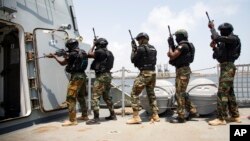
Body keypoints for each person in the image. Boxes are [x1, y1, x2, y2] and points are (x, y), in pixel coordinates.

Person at [47, 38, 89, 126]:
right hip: (83, 76)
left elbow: (62, 63)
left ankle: (72, 120)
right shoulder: (83, 52)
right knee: (81, 96)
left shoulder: (72, 54)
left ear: (70, 46)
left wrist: (54, 56)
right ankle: (85, 115)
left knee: (70, 98)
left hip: (76, 77)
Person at [208, 22, 241, 126]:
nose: (221, 33)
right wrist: (214, 47)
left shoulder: (233, 38)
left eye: (222, 31)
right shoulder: (224, 43)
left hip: (228, 68)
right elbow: (219, 57)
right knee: (230, 93)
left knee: (222, 93)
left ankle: (221, 118)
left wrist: (212, 29)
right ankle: (235, 116)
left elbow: (217, 37)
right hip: (224, 67)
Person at [126, 32, 160, 124]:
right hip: (153, 73)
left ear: (141, 39)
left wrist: (133, 49)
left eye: (138, 40)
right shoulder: (153, 48)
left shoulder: (140, 49)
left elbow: (133, 60)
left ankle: (136, 117)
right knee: (151, 95)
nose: (137, 42)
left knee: (134, 93)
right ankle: (155, 115)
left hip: (144, 73)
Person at [167, 29, 199, 123]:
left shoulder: (183, 46)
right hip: (184, 70)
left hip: (182, 71)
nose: (176, 38)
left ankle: (181, 116)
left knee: (179, 94)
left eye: (177, 36)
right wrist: (172, 45)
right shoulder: (189, 45)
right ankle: (192, 110)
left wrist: (170, 45)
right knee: (182, 93)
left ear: (180, 36)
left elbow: (172, 55)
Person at [86, 37, 116, 125]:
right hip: (108, 76)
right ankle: (113, 114)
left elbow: (89, 54)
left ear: (99, 45)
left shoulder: (99, 52)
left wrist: (93, 45)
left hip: (101, 76)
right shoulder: (110, 53)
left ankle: (96, 118)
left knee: (95, 97)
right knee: (107, 96)